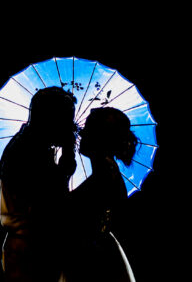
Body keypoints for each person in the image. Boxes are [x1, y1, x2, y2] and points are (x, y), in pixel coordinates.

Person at [0, 86, 78, 282]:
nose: (72, 126)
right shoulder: (29, 152)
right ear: (51, 119)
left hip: (32, 248)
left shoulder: (32, 144)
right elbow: (51, 202)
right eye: (67, 119)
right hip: (30, 253)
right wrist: (66, 162)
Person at [62, 107, 139, 282]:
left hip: (95, 266)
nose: (81, 132)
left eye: (87, 128)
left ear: (101, 137)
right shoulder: (107, 170)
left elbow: (64, 211)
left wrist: (64, 172)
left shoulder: (105, 175)